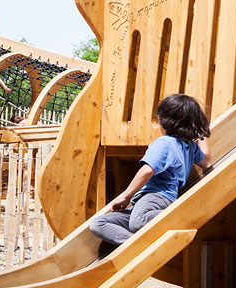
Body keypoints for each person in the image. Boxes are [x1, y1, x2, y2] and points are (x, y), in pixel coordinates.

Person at [89, 94, 211, 251]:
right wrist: (202, 133)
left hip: (157, 197)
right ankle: (134, 245)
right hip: (143, 204)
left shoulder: (164, 143)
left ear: (165, 122)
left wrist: (126, 196)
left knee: (137, 222)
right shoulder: (189, 147)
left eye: (159, 119)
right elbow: (207, 161)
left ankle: (177, 216)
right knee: (98, 224)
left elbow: (147, 171)